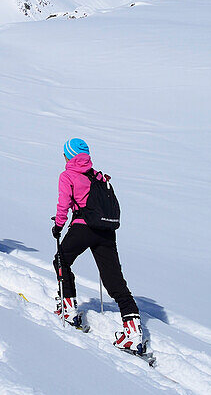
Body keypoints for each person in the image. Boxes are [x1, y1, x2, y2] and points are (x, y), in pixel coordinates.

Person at [51, 138, 144, 352]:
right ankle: (133, 332)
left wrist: (58, 226)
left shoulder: (67, 175)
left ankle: (68, 309)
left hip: (83, 228)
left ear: (69, 155)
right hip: (107, 232)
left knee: (61, 260)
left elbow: (63, 204)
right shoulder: (98, 176)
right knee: (115, 282)